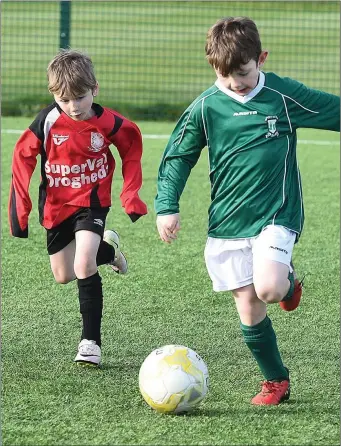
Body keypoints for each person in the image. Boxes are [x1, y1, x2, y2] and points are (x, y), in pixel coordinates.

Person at [155, 17, 340, 405]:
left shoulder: (282, 95)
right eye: (226, 77)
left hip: (277, 213)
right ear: (213, 69)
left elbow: (333, 110)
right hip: (227, 222)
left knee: (269, 287)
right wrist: (167, 206)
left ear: (261, 59)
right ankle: (276, 381)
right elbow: (178, 156)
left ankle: (286, 281)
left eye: (243, 72)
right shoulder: (206, 107)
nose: (236, 82)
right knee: (248, 304)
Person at [9, 49, 147, 367]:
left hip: (92, 200)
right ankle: (109, 252)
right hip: (56, 205)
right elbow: (22, 158)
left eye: (80, 98)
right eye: (65, 99)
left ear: (94, 89)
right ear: (54, 94)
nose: (74, 107)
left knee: (83, 265)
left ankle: (91, 343)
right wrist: (21, 208)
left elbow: (132, 145)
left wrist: (131, 194)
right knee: (63, 274)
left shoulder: (107, 122)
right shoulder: (46, 122)